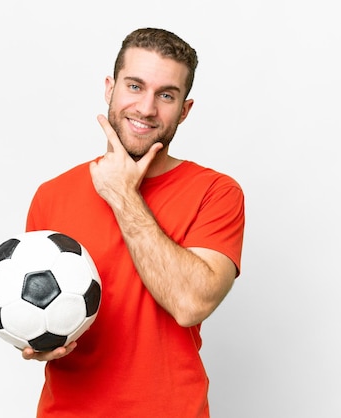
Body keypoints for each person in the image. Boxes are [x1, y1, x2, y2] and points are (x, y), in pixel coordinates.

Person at [23, 27, 245, 417]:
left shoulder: (217, 193)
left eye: (166, 95)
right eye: (134, 86)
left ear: (185, 110)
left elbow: (190, 303)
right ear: (110, 89)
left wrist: (123, 194)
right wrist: (34, 335)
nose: (146, 108)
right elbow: (37, 305)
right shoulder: (51, 195)